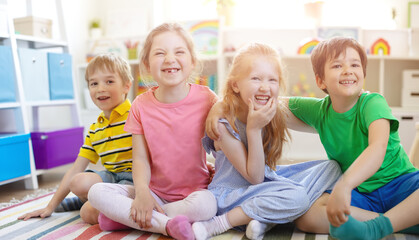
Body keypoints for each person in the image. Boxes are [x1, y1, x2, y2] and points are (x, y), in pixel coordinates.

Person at [192, 43, 341, 240]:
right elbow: (254, 177)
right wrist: (254, 129)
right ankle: (221, 223)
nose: (265, 87)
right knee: (298, 197)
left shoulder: (271, 111)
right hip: (235, 194)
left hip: (267, 183)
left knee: (333, 168)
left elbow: (264, 175)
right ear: (235, 85)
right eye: (255, 79)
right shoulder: (223, 125)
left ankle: (265, 218)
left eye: (272, 80)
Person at [87, 22, 218, 240]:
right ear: (147, 64)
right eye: (160, 53)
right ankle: (166, 225)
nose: (169, 59)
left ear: (193, 61)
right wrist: (142, 193)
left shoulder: (208, 99)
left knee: (208, 207)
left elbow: (224, 135)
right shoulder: (140, 105)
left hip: (195, 193)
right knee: (96, 192)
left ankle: (130, 219)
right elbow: (139, 158)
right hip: (154, 192)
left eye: (179, 52)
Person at [287, 36, 419, 240]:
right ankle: (399, 220)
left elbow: (377, 148)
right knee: (307, 215)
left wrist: (344, 185)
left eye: (355, 64)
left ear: (363, 74)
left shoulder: (373, 102)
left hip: (402, 185)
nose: (348, 70)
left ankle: (377, 227)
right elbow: (274, 105)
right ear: (320, 80)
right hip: (364, 196)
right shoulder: (319, 111)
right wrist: (223, 106)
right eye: (337, 65)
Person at [18, 53, 134, 225]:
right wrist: (50, 206)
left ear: (126, 86)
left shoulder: (137, 116)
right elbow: (75, 169)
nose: (100, 88)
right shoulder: (95, 129)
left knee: (87, 213)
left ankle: (93, 205)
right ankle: (95, 202)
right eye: (94, 83)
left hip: (135, 181)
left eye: (109, 81)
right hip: (111, 178)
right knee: (77, 181)